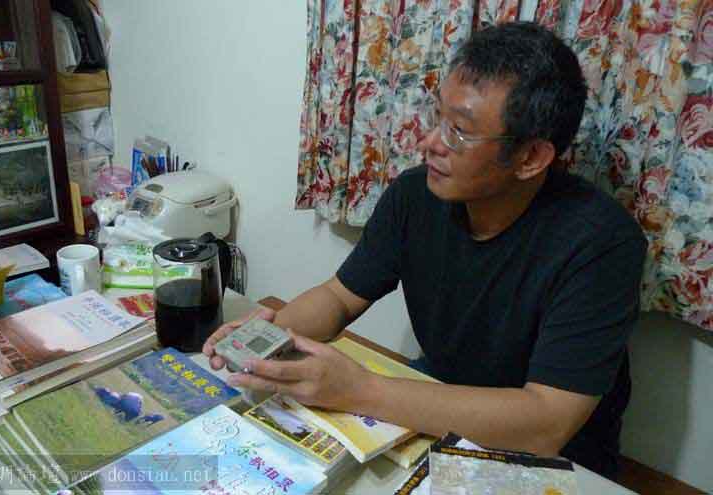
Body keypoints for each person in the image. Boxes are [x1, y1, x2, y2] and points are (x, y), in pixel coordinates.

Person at [204, 21, 647, 479]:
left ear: (530, 157)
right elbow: (339, 296)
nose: (430, 143)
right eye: (437, 118)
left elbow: (545, 422)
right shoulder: (417, 195)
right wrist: (269, 338)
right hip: (432, 401)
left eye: (459, 132)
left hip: (552, 457)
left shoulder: (601, 244)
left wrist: (360, 391)